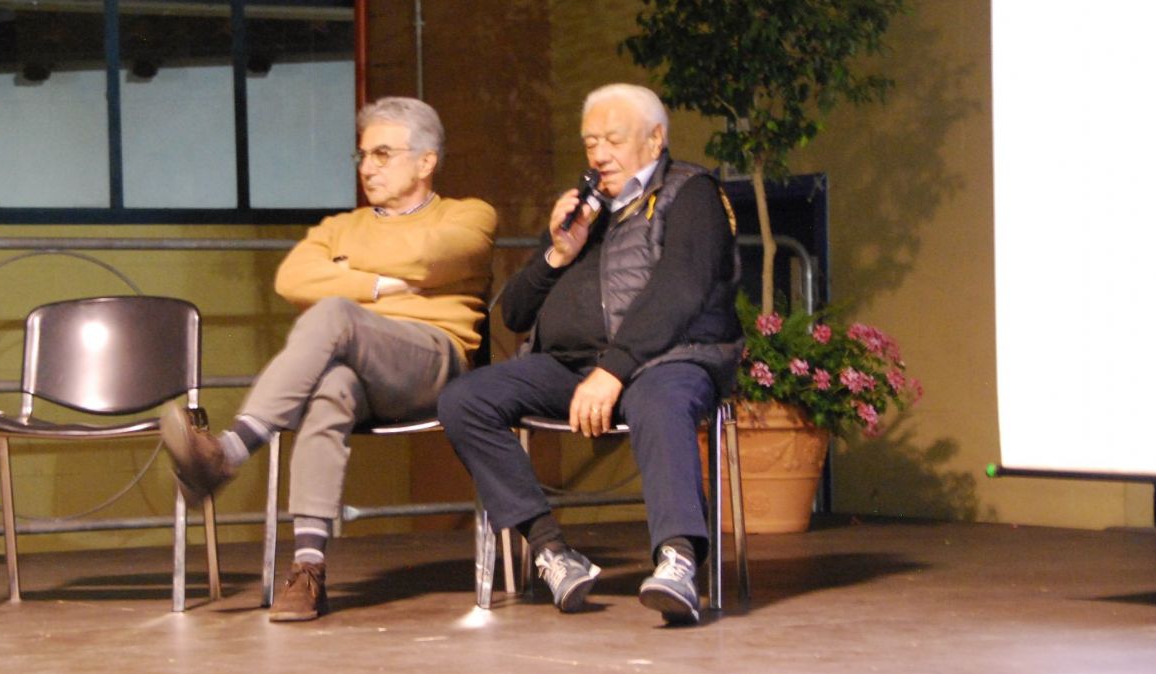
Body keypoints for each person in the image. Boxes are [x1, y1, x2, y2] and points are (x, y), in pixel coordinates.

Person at [162, 97, 496, 622]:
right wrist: (386, 284)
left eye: (382, 154)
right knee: (331, 387)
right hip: (362, 371)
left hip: (433, 362)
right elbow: (292, 278)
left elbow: (430, 255)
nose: (368, 168)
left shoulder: (468, 214)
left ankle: (231, 449)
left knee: (335, 311)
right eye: (362, 156)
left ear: (426, 161)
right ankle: (309, 569)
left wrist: (342, 271)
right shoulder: (341, 225)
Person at [438, 83, 741, 625]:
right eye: (590, 142)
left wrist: (613, 370)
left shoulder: (692, 194)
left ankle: (677, 560)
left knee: (662, 400)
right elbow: (515, 314)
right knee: (466, 399)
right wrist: (557, 253)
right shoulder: (587, 208)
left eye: (613, 140)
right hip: (571, 368)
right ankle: (552, 551)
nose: (599, 154)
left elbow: (679, 293)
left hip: (667, 358)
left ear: (655, 140)